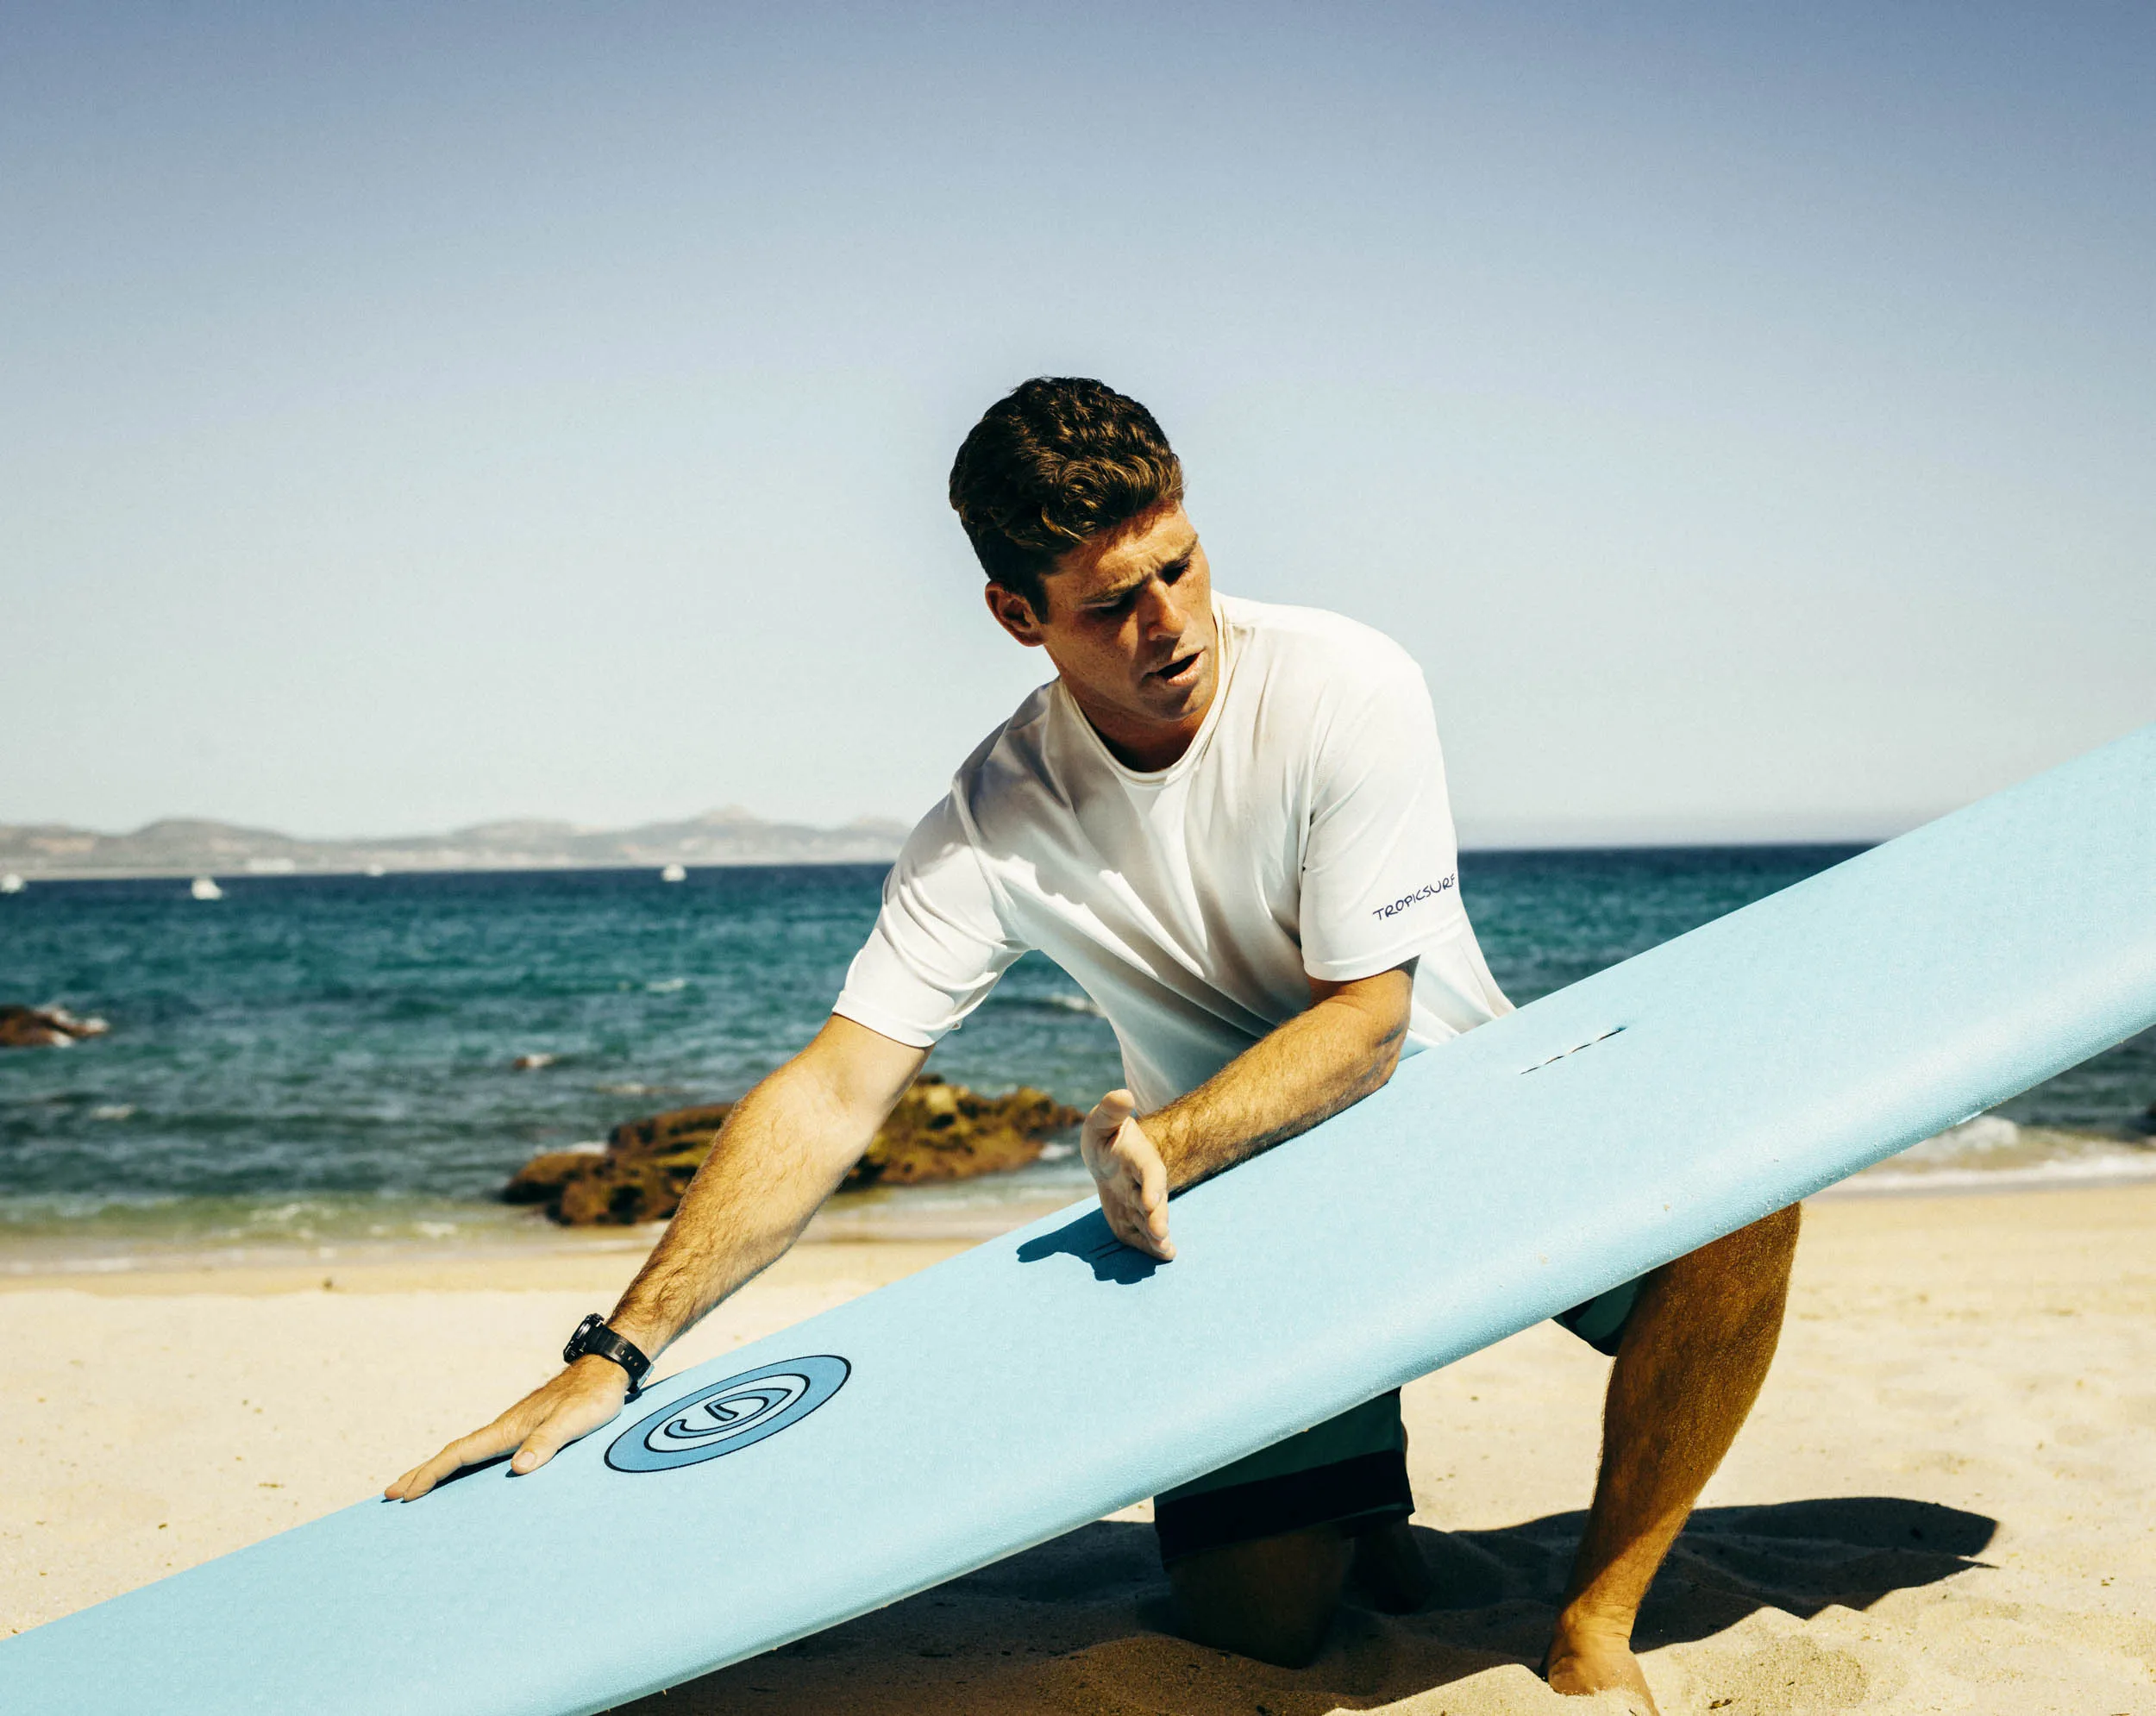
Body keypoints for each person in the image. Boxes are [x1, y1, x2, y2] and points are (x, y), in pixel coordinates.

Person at [386, 377, 1799, 1710]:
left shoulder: (1345, 686)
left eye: (1179, 565)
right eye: (1112, 602)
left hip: (1454, 1130)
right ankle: (1358, 1500)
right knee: (1259, 1627)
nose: (1171, 622)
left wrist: (1157, 1146)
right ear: (1018, 612)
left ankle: (1591, 1616)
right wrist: (613, 1350)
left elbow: (1367, 1024)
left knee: (1748, 1210)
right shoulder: (998, 813)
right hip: (1242, 1222)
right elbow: (832, 1091)